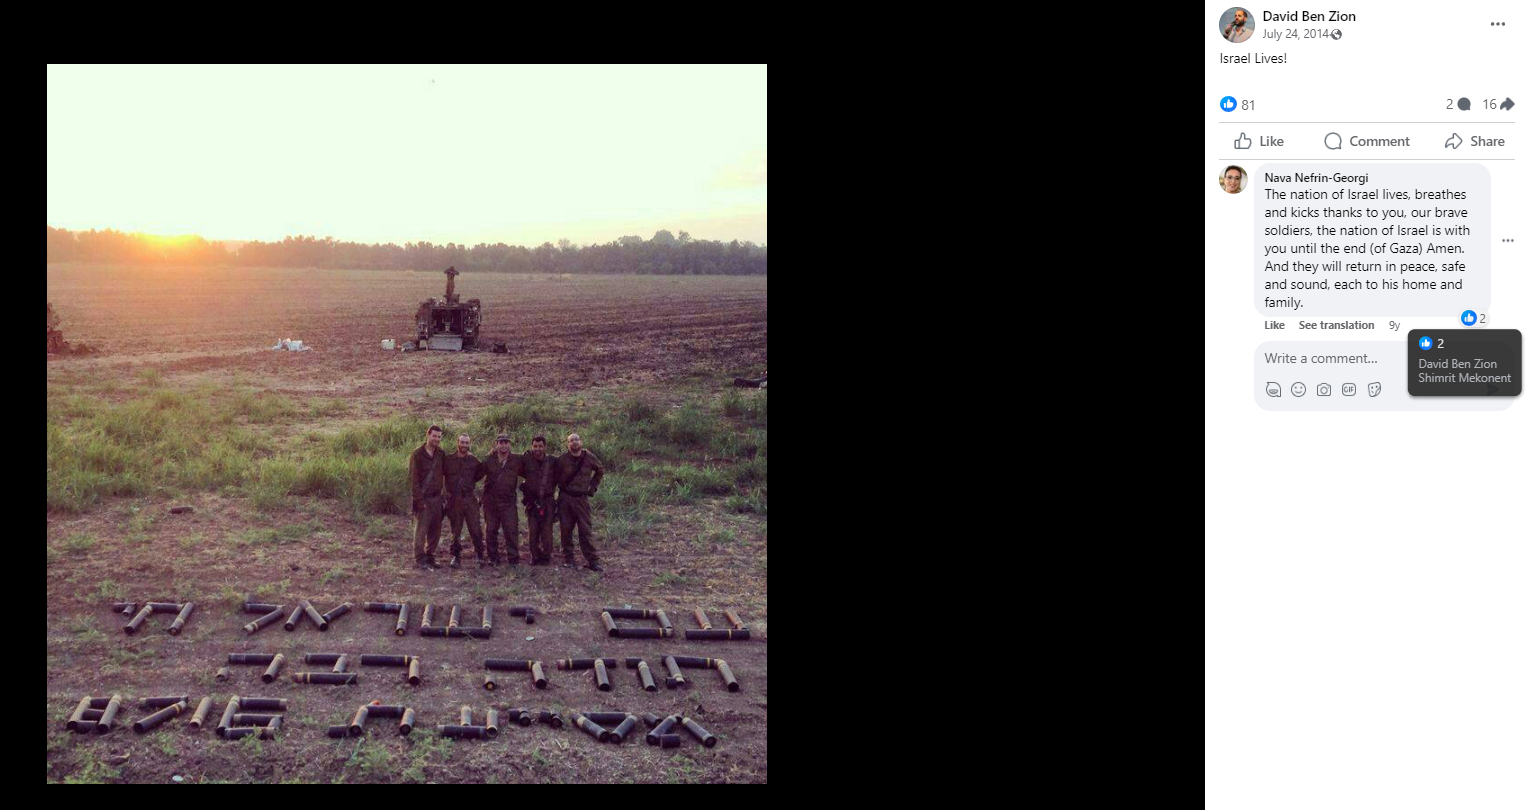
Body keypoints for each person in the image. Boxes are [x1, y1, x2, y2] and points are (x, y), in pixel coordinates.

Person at [554, 432, 604, 572]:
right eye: (571, 440)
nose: (574, 442)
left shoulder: (588, 457)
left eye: (576, 439)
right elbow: (554, 478)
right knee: (566, 530)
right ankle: (569, 559)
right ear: (567, 444)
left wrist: (593, 486)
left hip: (582, 499)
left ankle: (592, 561)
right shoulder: (562, 459)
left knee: (585, 530)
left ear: (581, 442)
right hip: (565, 499)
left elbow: (600, 470)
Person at [480, 434, 526, 566]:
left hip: (508, 501)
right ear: (496, 444)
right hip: (491, 501)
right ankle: (493, 558)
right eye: (501, 442)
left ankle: (513, 559)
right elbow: (476, 474)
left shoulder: (517, 459)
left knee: (511, 530)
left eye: (506, 442)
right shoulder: (489, 460)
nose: (504, 445)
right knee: (491, 530)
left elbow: (529, 471)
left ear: (510, 444)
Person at [442, 433, 487, 568]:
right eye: (462, 442)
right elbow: (440, 476)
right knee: (455, 530)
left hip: (469, 498)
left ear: (469, 444)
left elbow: (479, 476)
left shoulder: (474, 461)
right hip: (454, 499)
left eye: (467, 443)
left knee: (476, 529)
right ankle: (456, 556)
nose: (464, 445)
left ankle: (479, 555)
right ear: (458, 443)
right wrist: (445, 495)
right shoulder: (448, 460)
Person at [409, 425, 447, 570]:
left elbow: (445, 475)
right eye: (434, 436)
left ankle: (430, 557)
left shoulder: (441, 454)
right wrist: (419, 501)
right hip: (423, 499)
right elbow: (413, 480)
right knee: (421, 530)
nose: (437, 439)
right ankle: (420, 559)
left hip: (437, 499)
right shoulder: (417, 454)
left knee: (435, 531)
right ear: (428, 435)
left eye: (439, 437)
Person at [520, 435, 558, 566]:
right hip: (532, 501)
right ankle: (535, 556)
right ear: (532, 447)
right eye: (535, 446)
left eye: (540, 446)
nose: (537, 449)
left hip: (547, 501)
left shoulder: (552, 461)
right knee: (533, 531)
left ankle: (546, 556)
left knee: (547, 531)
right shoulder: (526, 459)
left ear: (545, 447)